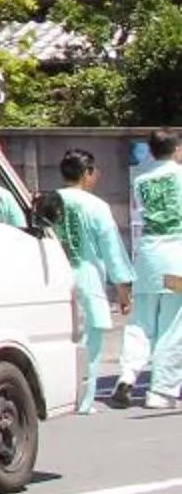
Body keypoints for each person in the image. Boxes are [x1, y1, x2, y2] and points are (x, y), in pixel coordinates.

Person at [52, 150, 133, 415]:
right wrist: (123, 289)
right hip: (86, 279)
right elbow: (112, 250)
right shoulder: (96, 206)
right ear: (86, 173)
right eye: (93, 170)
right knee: (90, 343)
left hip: (54, 278)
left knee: (59, 340)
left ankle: (59, 396)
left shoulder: (50, 201)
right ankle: (83, 400)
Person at [127, 134, 182, 410]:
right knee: (173, 326)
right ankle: (161, 390)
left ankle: (127, 375)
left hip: (148, 257)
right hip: (176, 258)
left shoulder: (140, 180)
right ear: (176, 149)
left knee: (142, 322)